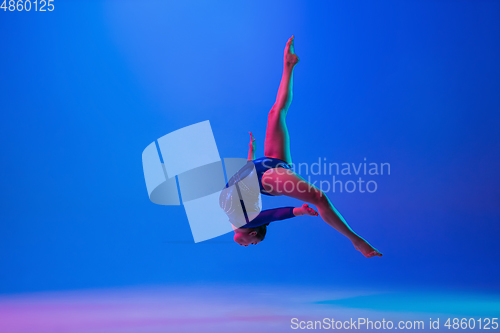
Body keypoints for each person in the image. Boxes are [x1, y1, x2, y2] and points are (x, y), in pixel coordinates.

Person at [226, 36, 382, 258]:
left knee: (275, 113)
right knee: (319, 198)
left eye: (250, 245)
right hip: (268, 178)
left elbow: (241, 181)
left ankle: (289, 65)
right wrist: (298, 211)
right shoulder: (243, 221)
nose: (246, 245)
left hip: (264, 163)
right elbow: (274, 214)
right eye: (251, 244)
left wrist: (250, 153)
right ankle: (357, 242)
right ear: (252, 233)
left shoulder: (232, 217)